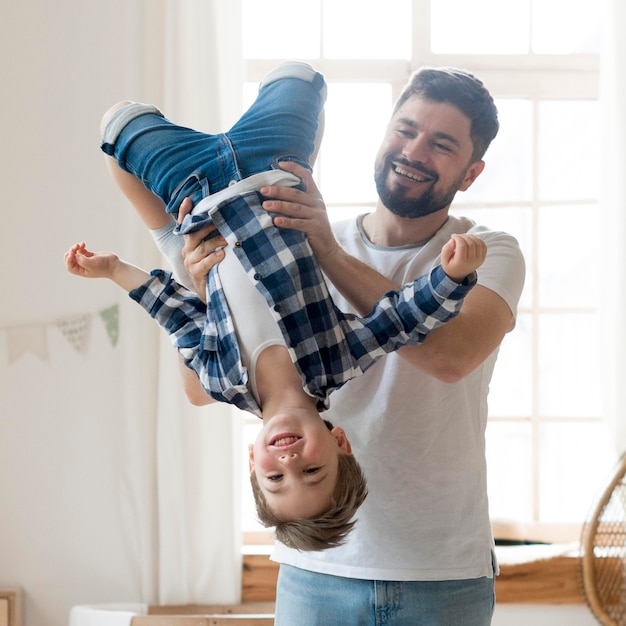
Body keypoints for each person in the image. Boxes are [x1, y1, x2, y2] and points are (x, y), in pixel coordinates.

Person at [65, 62, 487, 553]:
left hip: (192, 185)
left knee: (118, 123)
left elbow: (177, 314)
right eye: (312, 471)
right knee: (300, 77)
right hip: (271, 162)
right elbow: (401, 319)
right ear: (340, 445)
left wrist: (117, 271)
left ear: (252, 463)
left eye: (275, 480)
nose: (289, 465)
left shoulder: (219, 380)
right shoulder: (339, 361)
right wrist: (451, 278)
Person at [185, 67, 525, 624]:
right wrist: (204, 297)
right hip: (316, 571)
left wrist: (329, 255)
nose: (414, 151)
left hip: (441, 572)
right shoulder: (305, 232)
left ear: (470, 173)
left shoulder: (485, 251)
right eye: (406, 129)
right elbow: (202, 389)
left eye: (441, 144)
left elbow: (449, 357)